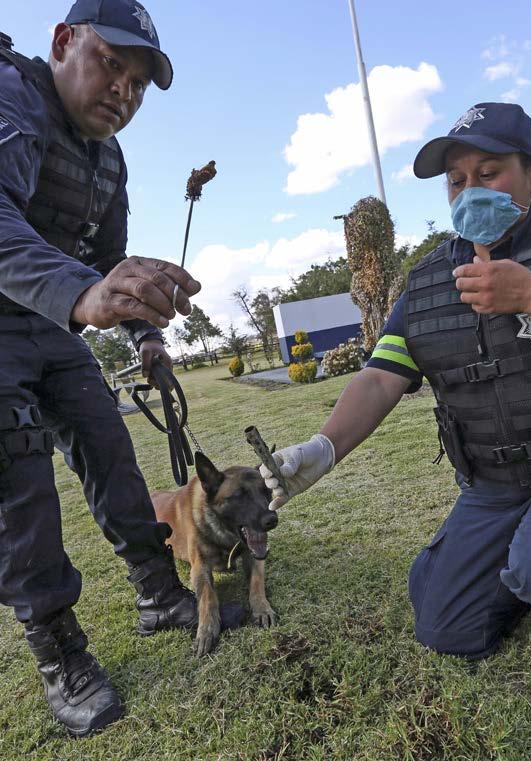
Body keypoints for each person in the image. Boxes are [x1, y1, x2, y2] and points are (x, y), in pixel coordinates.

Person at [261, 102, 531, 685]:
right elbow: (381, 376)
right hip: (497, 484)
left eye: (489, 173)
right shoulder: (425, 284)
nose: (471, 190)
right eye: (457, 180)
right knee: (445, 622)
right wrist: (322, 449)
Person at [0, 0, 203, 737]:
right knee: (19, 477)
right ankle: (59, 653)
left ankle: (159, 593)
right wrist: (82, 294)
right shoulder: (12, 96)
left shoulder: (108, 158)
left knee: (110, 445)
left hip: (53, 322)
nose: (124, 91)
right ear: (62, 42)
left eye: (139, 83)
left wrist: (146, 337)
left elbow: (108, 260)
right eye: (111, 64)